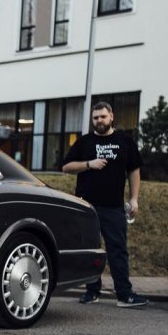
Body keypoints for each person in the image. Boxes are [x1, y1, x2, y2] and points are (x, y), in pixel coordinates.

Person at [62, 101, 147, 307]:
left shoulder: (125, 141)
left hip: (114, 207)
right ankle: (92, 291)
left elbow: (134, 170)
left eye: (103, 116)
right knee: (91, 250)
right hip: (87, 207)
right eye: (95, 117)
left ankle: (124, 295)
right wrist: (89, 164)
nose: (99, 120)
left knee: (118, 251)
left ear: (111, 117)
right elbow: (66, 167)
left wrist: (134, 198)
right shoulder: (84, 142)